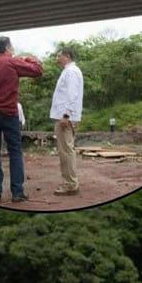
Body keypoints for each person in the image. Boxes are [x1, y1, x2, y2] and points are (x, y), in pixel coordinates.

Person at [0, 36, 43, 203]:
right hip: (8, 112)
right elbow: (37, 70)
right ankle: (17, 192)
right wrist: (28, 58)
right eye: (12, 47)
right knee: (14, 151)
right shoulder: (12, 62)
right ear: (7, 48)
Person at [49, 47, 84, 195]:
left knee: (66, 151)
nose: (57, 58)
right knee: (65, 150)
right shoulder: (69, 71)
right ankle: (69, 182)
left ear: (67, 56)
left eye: (59, 56)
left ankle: (71, 184)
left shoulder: (71, 72)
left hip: (65, 117)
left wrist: (66, 115)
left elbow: (72, 94)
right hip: (64, 116)